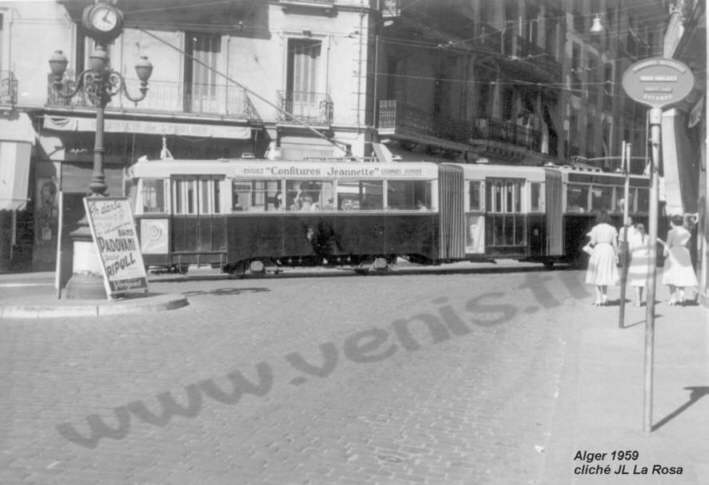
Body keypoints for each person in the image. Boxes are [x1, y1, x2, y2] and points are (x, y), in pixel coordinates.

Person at [660, 215, 698, 305]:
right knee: (682, 274)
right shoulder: (687, 232)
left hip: (674, 253)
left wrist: (665, 252)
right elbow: (689, 245)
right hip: (684, 253)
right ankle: (682, 296)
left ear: (672, 222)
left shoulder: (671, 232)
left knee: (671, 276)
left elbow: (668, 244)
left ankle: (673, 298)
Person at [585, 210, 619, 306]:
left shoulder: (595, 228)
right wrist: (616, 255)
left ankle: (598, 299)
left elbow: (593, 242)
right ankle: (604, 297)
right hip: (608, 250)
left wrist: (587, 245)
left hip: (598, 250)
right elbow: (615, 244)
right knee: (605, 273)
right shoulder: (612, 228)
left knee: (597, 274)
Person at [627, 223, 651, 306]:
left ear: (636, 229)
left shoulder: (633, 238)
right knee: (642, 282)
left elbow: (630, 250)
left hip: (636, 259)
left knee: (636, 282)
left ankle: (638, 300)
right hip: (645, 260)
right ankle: (640, 299)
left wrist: (630, 259)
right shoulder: (648, 237)